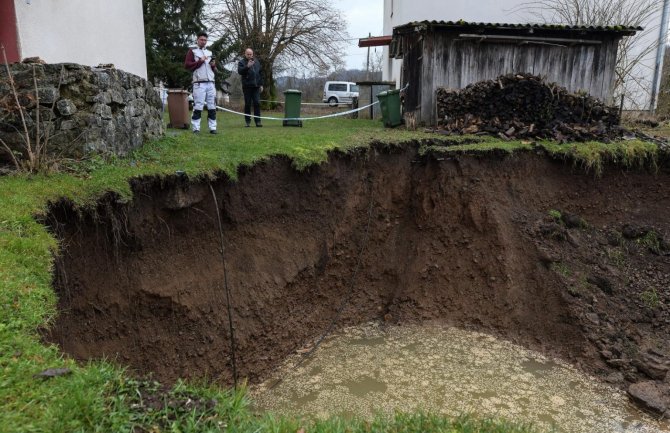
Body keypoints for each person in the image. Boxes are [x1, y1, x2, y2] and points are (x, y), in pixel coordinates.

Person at [184, 31, 217, 134]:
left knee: (212, 106)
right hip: (199, 83)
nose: (203, 42)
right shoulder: (192, 51)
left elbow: (213, 68)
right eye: (201, 40)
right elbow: (187, 65)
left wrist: (213, 65)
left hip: (211, 82)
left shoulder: (209, 53)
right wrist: (200, 61)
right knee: (198, 105)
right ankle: (196, 128)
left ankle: (213, 128)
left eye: (205, 40)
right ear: (197, 40)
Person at [237, 48, 264, 127]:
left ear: (253, 54)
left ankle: (258, 121)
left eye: (251, 54)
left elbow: (260, 73)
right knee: (248, 104)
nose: (249, 56)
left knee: (257, 103)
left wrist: (261, 84)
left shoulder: (257, 62)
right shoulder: (241, 62)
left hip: (256, 87)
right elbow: (240, 71)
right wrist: (247, 66)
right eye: (248, 54)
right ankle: (247, 121)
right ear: (245, 54)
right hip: (247, 87)